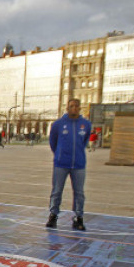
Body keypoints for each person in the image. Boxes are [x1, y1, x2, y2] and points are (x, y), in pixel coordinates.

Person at [46, 99, 92, 231]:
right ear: (67, 108)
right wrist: (60, 154)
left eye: (76, 106)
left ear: (80, 108)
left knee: (79, 192)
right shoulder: (58, 124)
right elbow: (53, 142)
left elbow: (84, 141)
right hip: (61, 163)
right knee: (56, 191)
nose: (74, 108)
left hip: (78, 164)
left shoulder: (85, 124)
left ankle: (78, 217)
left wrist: (77, 154)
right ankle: (53, 215)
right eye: (71, 106)